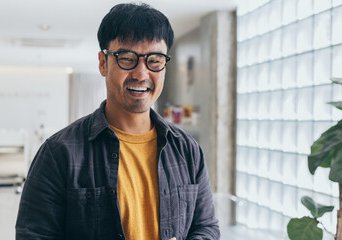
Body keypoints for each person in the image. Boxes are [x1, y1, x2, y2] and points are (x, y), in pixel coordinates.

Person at [16, 3, 220, 240]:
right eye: (127, 58)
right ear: (103, 63)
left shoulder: (187, 150)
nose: (141, 74)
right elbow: (34, 236)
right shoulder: (58, 153)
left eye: (154, 60)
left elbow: (207, 227)